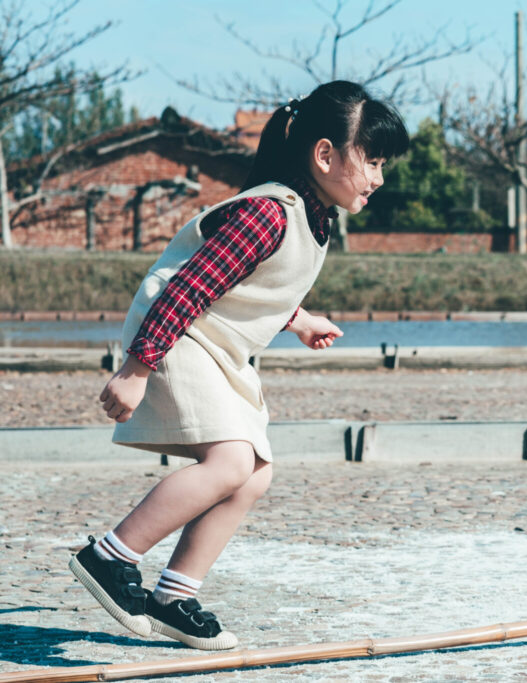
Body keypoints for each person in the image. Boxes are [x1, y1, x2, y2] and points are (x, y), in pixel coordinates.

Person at [69, 81, 409, 650]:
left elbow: (246, 288)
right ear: (325, 155)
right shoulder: (268, 211)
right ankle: (110, 557)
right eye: (371, 160)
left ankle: (174, 595)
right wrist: (136, 369)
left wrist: (297, 319)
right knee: (229, 461)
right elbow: (190, 290)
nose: (378, 176)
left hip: (213, 343)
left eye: (381, 163)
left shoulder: (311, 215)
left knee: (254, 472)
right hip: (177, 335)